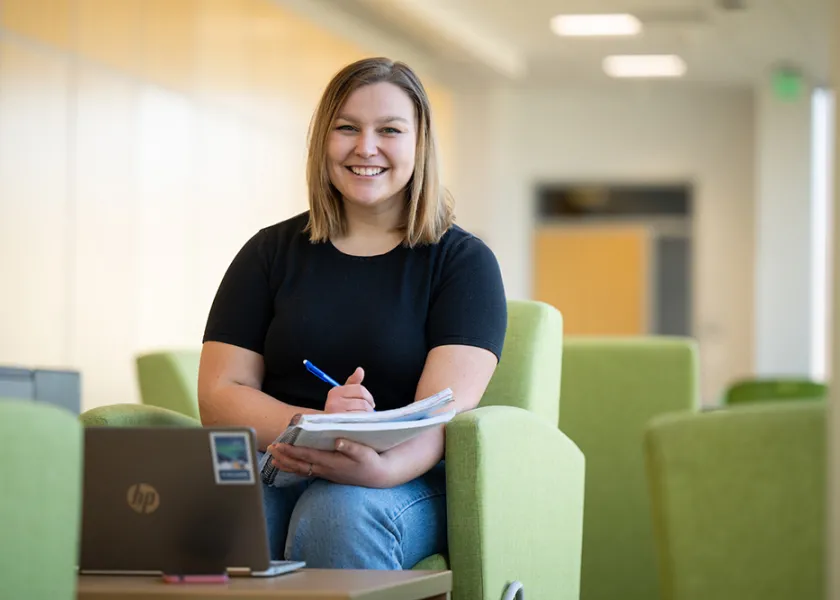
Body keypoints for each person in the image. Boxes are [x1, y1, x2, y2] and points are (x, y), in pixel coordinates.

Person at [197, 56, 507, 570]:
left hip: (404, 475)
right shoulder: (268, 252)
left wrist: (380, 470)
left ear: (418, 144)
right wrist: (318, 424)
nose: (366, 147)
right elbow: (218, 396)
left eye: (389, 129)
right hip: (278, 455)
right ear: (324, 140)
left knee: (336, 514)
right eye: (347, 128)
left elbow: (440, 417)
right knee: (221, 510)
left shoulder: (463, 262)